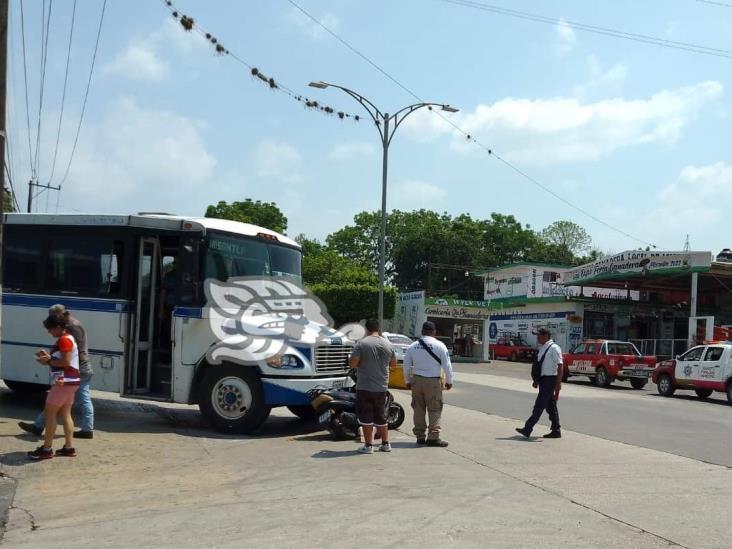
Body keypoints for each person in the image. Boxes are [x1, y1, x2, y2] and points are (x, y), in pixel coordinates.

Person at [19, 305, 95, 439]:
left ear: (60, 316)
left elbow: (68, 355)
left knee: (56, 402)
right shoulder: (74, 324)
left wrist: (49, 360)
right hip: (80, 368)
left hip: (74, 369)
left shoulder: (70, 330)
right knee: (67, 403)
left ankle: (42, 434)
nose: (50, 330)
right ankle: (79, 432)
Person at [27, 314, 81, 459]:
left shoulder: (64, 340)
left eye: (50, 329)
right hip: (72, 381)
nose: (49, 332)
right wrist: (49, 358)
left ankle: (46, 449)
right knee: (66, 414)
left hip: (63, 382)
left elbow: (65, 362)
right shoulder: (69, 338)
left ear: (58, 327)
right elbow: (66, 360)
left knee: (50, 414)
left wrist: (48, 362)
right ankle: (69, 447)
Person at [349, 319, 397, 454]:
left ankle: (368, 446)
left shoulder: (362, 344)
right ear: (378, 328)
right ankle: (385, 443)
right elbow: (393, 364)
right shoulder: (388, 344)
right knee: (381, 416)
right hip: (381, 386)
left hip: (365, 386)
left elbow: (352, 364)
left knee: (366, 417)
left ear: (367, 329)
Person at [402, 321, 453, 448]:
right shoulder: (440, 345)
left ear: (422, 332)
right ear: (434, 332)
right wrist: (449, 381)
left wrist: (407, 381)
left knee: (418, 409)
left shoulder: (412, 346)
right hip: (433, 382)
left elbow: (406, 365)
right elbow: (447, 365)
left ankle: (420, 437)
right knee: (435, 409)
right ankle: (433, 437)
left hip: (417, 380)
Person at [515, 328, 563, 439]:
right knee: (550, 406)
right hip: (544, 380)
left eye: (539, 336)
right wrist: (536, 380)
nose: (537, 338)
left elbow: (560, 366)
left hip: (550, 380)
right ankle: (556, 430)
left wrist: (558, 383)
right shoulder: (544, 348)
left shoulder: (554, 348)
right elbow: (540, 366)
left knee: (539, 405)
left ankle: (528, 428)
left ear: (546, 335)